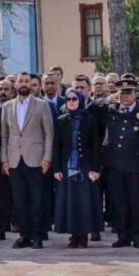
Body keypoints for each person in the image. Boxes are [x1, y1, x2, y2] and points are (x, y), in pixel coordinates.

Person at [92, 80, 139, 248]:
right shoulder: (111, 110)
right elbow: (92, 106)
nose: (124, 96)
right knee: (119, 202)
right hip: (114, 165)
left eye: (128, 92)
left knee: (137, 202)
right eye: (122, 93)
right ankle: (123, 235)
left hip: (136, 166)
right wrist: (109, 98)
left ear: (135, 94)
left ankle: (138, 236)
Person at [0, 72, 54, 249]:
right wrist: (4, 160)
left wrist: (47, 157)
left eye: (26, 81)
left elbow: (49, 134)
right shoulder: (7, 106)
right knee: (19, 201)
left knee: (37, 200)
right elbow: (4, 135)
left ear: (31, 84)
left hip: (36, 159)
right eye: (20, 81)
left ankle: (37, 236)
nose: (23, 83)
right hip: (14, 159)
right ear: (15, 84)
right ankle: (24, 235)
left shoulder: (42, 105)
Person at [52, 90, 102, 248]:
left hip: (85, 166)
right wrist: (56, 168)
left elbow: (95, 145)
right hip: (67, 167)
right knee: (70, 201)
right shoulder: (61, 120)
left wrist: (95, 168)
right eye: (68, 99)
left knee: (84, 201)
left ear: (80, 100)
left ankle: (84, 235)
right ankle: (73, 235)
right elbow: (57, 146)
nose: (71, 102)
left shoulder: (89, 119)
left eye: (74, 99)